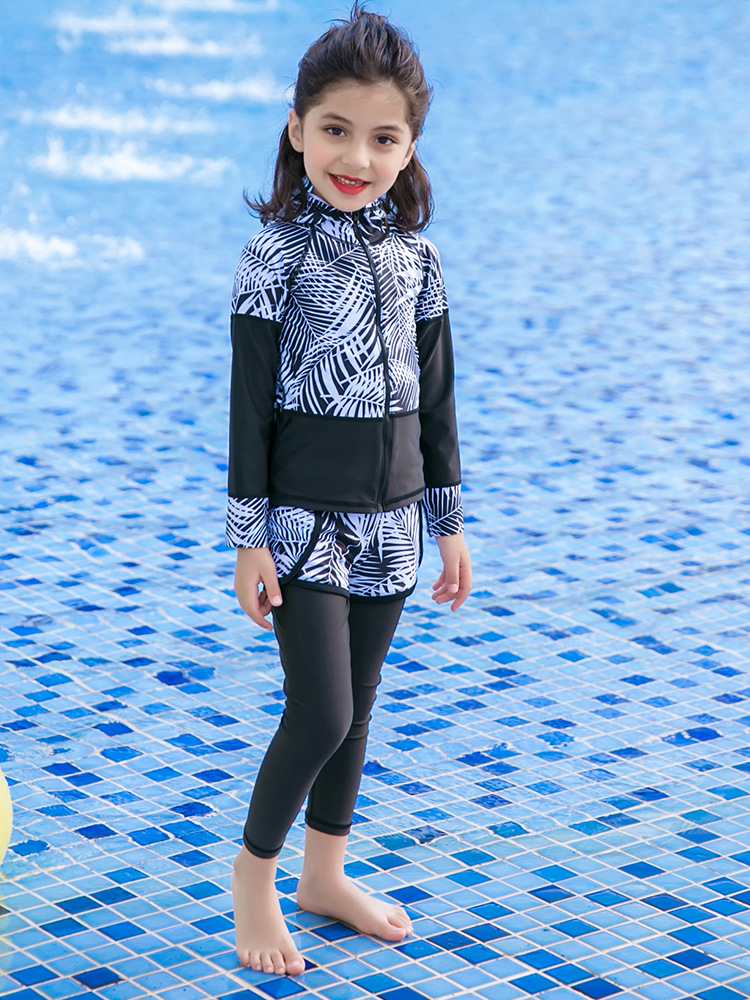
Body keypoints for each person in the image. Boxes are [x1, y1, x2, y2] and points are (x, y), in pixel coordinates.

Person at [226, 3, 472, 977]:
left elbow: (437, 400)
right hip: (303, 520)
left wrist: (448, 521)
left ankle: (324, 875)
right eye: (335, 129)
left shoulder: (420, 259)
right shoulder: (274, 257)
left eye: (383, 138)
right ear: (297, 128)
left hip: (395, 517)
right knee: (320, 711)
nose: (357, 157)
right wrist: (248, 535)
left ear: (409, 148)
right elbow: (250, 407)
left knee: (358, 709)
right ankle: (254, 876)